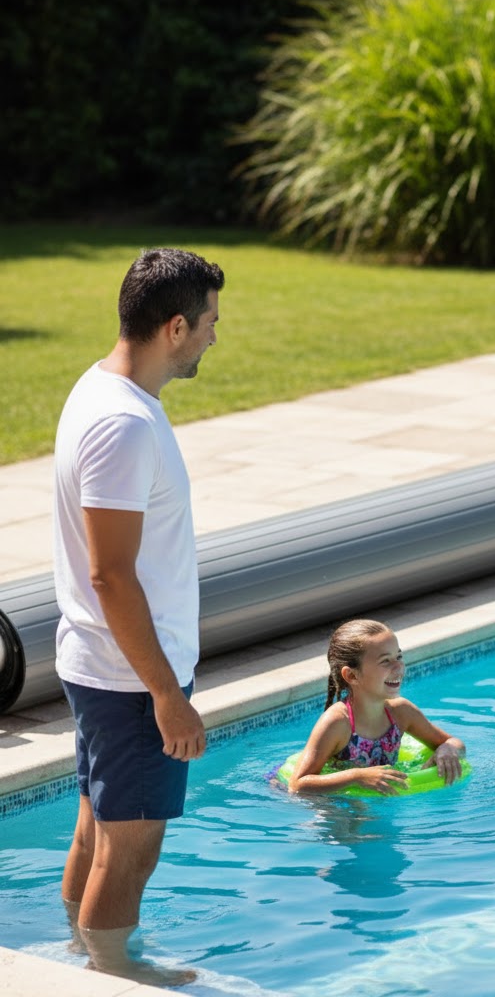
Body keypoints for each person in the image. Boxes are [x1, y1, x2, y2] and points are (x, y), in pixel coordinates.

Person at [53, 247, 224, 986]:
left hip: (104, 665)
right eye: (212, 323)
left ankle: (76, 959)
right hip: (128, 677)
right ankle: (115, 974)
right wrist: (166, 694)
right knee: (131, 844)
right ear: (176, 327)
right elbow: (111, 574)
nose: (216, 338)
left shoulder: (103, 392)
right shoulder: (122, 424)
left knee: (97, 827)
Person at [288, 619, 466, 795]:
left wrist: (447, 749)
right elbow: (297, 785)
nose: (399, 667)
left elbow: (453, 742)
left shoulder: (401, 712)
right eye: (385, 661)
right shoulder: (338, 722)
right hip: (338, 801)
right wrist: (356, 776)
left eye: (399, 656)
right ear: (351, 675)